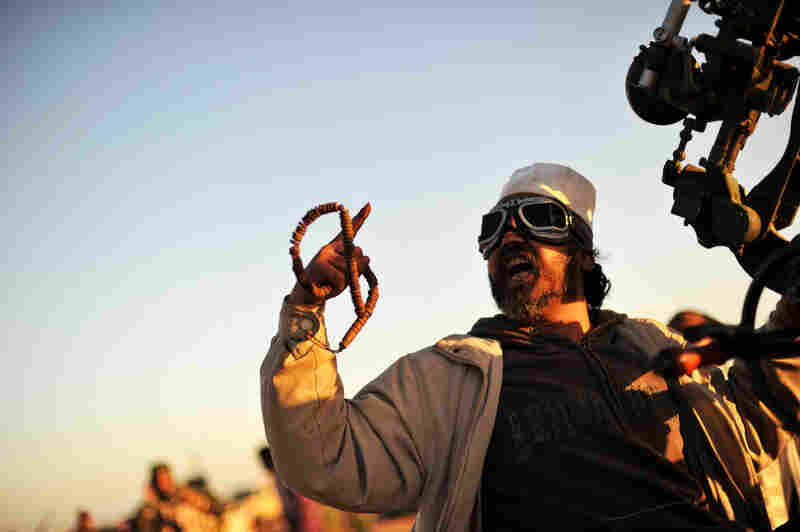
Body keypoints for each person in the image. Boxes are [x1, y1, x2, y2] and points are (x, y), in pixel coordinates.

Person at [260, 163, 800, 531]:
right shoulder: (450, 378)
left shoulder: (652, 344)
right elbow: (324, 458)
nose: (510, 238)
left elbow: (760, 417)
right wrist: (306, 311)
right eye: (493, 230)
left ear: (585, 254)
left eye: (538, 221)